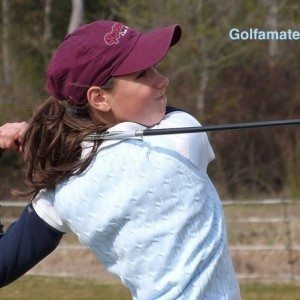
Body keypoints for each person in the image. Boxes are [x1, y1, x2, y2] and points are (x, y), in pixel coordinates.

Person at [0, 20, 240, 299]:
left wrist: (44, 136)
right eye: (142, 74)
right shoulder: (181, 138)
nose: (162, 79)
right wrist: (44, 133)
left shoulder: (62, 185)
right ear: (99, 98)